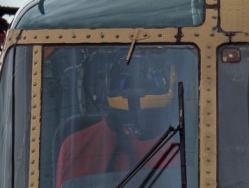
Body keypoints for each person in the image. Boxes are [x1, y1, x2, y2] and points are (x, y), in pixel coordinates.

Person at [56, 52, 179, 187]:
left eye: (146, 75)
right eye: (125, 75)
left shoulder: (187, 147)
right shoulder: (75, 147)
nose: (134, 85)